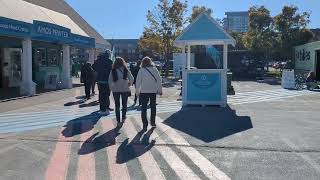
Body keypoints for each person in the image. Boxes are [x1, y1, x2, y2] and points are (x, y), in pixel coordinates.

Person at [136, 57, 163, 130]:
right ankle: (153, 122)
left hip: (144, 92)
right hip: (153, 92)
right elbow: (159, 80)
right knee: (153, 107)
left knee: (144, 108)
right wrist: (160, 90)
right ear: (150, 62)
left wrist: (137, 92)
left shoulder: (141, 70)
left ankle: (145, 124)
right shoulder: (154, 69)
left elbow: (138, 81)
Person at [109, 57, 134, 127]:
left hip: (116, 90)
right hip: (125, 89)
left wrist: (111, 88)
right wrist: (129, 84)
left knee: (117, 105)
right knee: (124, 104)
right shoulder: (126, 70)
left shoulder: (113, 70)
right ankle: (123, 117)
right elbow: (132, 79)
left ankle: (118, 121)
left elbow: (109, 81)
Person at [92, 50, 114, 115]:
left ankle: (102, 108)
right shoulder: (109, 61)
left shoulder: (98, 60)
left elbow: (93, 67)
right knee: (107, 94)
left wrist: (99, 71)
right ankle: (107, 107)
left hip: (99, 80)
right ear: (108, 55)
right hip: (107, 80)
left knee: (101, 94)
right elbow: (111, 71)